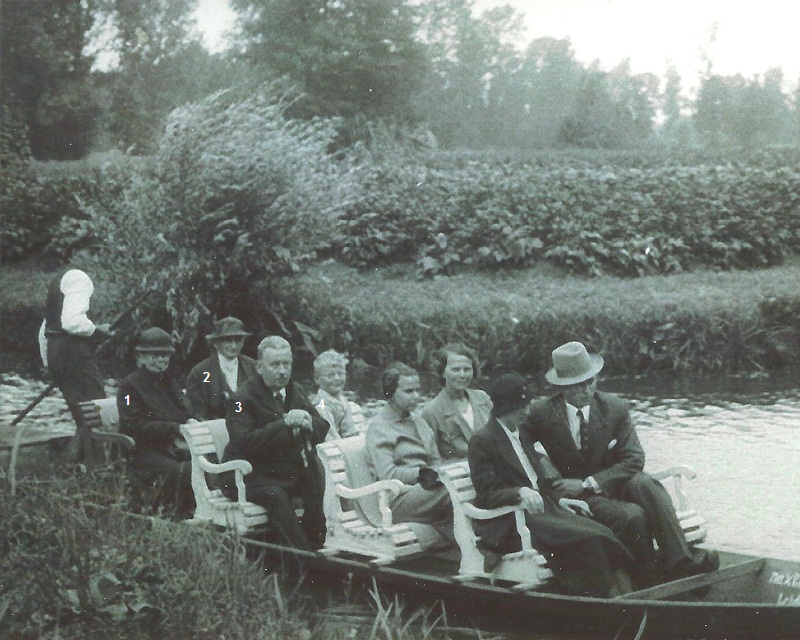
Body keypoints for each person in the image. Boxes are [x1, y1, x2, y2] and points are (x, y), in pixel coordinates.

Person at [526, 341, 719, 584]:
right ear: (562, 387)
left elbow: (634, 458)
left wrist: (589, 483)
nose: (586, 390)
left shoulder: (613, 407)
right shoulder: (540, 412)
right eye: (577, 386)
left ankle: (681, 563)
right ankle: (647, 577)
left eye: (591, 381)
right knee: (633, 516)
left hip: (607, 482)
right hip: (575, 494)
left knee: (646, 484)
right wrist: (551, 478)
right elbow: (522, 448)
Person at [469, 373, 634, 598]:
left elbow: (538, 480)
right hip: (511, 519)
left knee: (600, 531)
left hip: (542, 509)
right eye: (522, 407)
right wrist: (519, 492)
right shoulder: (484, 439)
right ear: (506, 408)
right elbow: (486, 493)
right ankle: (602, 598)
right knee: (590, 538)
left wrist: (560, 498)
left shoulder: (519, 434)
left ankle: (622, 596)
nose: (527, 412)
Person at [224, 335, 329, 550]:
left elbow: (323, 425)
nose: (282, 371)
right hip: (246, 476)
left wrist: (309, 422)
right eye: (275, 364)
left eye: (286, 364)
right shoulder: (240, 399)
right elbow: (242, 442)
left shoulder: (294, 390)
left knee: (315, 475)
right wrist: (284, 425)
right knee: (276, 496)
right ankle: (302, 557)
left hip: (281, 472)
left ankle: (317, 544)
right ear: (260, 367)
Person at [365, 362, 453, 547]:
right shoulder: (380, 427)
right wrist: (421, 473)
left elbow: (436, 461)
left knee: (463, 484)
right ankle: (479, 546)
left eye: (418, 390)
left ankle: (483, 542)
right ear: (390, 392)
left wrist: (439, 473)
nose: (417, 397)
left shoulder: (419, 422)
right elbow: (387, 475)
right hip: (396, 500)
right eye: (408, 391)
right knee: (451, 490)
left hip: (424, 491)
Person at [117, 327, 194, 515]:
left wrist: (191, 420)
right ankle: (176, 513)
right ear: (141, 356)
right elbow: (132, 425)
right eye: (155, 355)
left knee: (211, 462)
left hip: (174, 446)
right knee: (183, 472)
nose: (161, 360)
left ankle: (198, 510)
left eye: (165, 355)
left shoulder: (169, 380)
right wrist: (174, 428)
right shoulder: (128, 388)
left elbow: (183, 408)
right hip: (144, 452)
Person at [38, 268, 112, 461]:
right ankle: (85, 468)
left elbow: (45, 331)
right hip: (73, 355)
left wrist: (51, 365)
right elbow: (73, 322)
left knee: (83, 417)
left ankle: (82, 467)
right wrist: (96, 331)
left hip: (57, 353)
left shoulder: (59, 282)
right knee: (96, 414)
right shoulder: (80, 279)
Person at [421, 343, 492, 460]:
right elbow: (432, 457)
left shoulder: (482, 398)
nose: (462, 375)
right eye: (455, 369)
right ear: (442, 372)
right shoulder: (432, 411)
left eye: (467, 369)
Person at [186, 316, 257, 420]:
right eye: (227, 341)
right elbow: (198, 412)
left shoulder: (252, 367)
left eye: (238, 341)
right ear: (216, 343)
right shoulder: (201, 373)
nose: (233, 346)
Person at [311, 349, 365, 440]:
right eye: (330, 375)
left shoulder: (341, 399)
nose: (337, 378)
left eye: (340, 373)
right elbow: (330, 436)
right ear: (317, 379)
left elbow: (349, 428)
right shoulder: (321, 404)